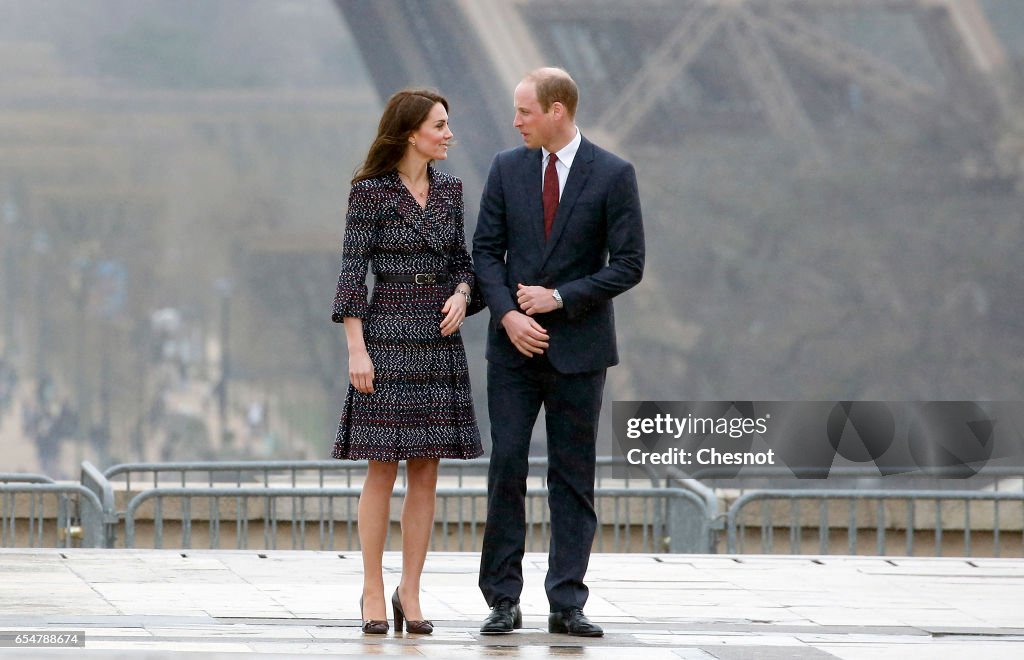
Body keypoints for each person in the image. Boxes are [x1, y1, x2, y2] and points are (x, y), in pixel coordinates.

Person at [472, 67, 645, 637]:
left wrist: (560, 298)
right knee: (506, 468)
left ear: (557, 111)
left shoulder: (614, 174)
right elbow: (485, 254)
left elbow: (628, 264)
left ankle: (566, 601)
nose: (516, 120)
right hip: (514, 352)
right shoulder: (505, 168)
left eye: (525, 111)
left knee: (573, 477)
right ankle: (502, 598)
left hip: (580, 350)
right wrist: (510, 314)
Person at [330, 88, 484, 635]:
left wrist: (463, 295)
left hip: (438, 335)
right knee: (382, 468)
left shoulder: (451, 190)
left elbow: (465, 263)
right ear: (411, 131)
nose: (449, 134)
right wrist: (357, 348)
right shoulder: (369, 193)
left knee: (426, 472)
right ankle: (373, 587)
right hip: (387, 330)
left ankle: (410, 591)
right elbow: (353, 272)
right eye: (440, 125)